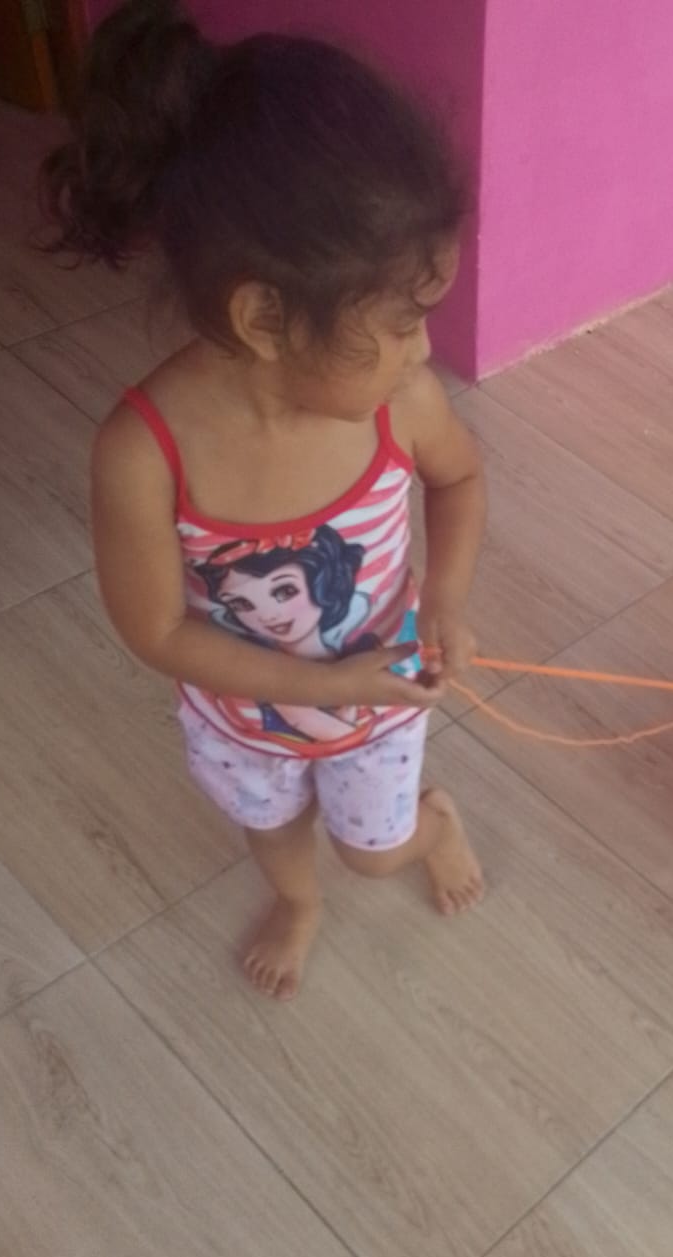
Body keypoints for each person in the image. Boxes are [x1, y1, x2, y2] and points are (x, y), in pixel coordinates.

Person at [43, 0, 486, 999]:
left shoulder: (402, 402)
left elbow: (459, 478)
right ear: (265, 318)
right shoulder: (142, 453)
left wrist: (448, 600)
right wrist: (319, 690)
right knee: (272, 826)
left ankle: (431, 826)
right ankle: (297, 903)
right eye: (403, 322)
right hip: (246, 717)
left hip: (380, 703)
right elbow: (157, 630)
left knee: (373, 851)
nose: (424, 349)